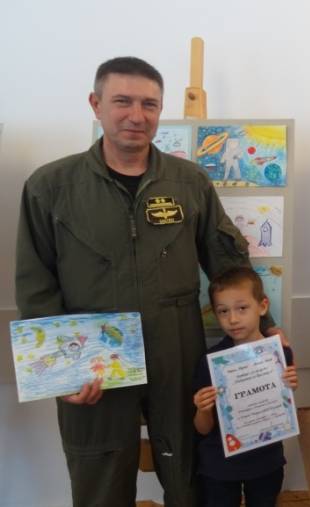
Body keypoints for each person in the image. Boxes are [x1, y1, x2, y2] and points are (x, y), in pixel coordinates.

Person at [15, 56, 275, 506]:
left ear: (160, 110)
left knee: (190, 472)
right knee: (99, 478)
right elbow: (35, 284)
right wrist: (63, 373)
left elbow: (228, 265)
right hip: (93, 360)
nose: (137, 115)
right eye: (122, 101)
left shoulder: (189, 183)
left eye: (149, 104)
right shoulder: (51, 187)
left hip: (177, 350)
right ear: (96, 104)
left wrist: (265, 331)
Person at [192, 266, 297, 507]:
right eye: (223, 311)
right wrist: (202, 409)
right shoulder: (211, 362)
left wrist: (291, 386)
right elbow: (202, 429)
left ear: (262, 306)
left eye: (242, 308)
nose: (233, 319)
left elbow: (282, 407)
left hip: (266, 460)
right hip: (220, 464)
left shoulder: (281, 354)